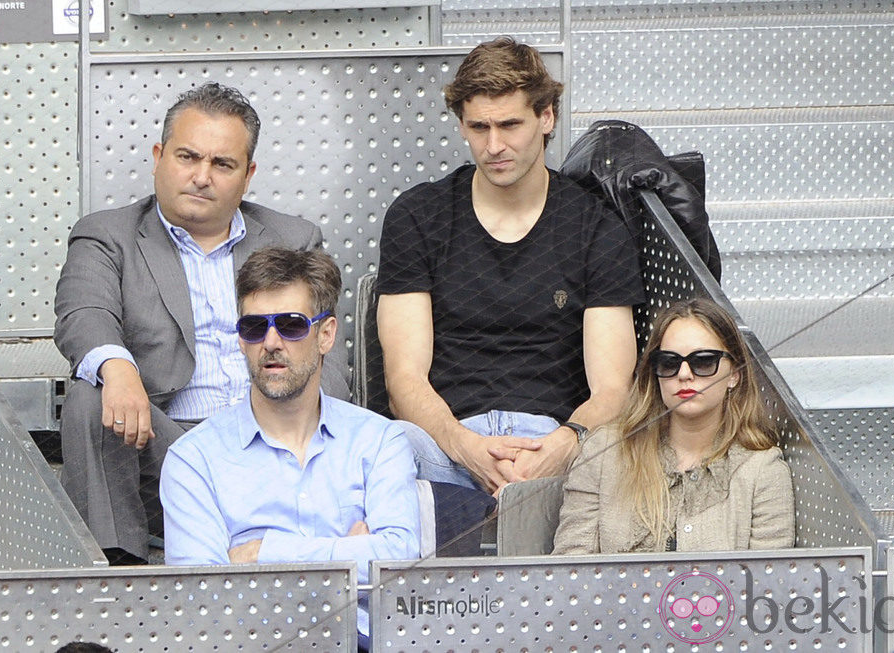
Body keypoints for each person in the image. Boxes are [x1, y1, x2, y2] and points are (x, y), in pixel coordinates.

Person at [54, 82, 350, 565]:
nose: (201, 176)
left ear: (248, 174)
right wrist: (118, 369)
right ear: (158, 156)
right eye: (188, 157)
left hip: (271, 435)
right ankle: (115, 574)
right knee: (91, 394)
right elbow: (84, 313)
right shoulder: (109, 235)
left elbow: (326, 356)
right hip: (166, 440)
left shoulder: (294, 239)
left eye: (222, 164)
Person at [376, 37, 644, 495]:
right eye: (479, 127)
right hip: (446, 442)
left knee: (624, 454)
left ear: (547, 117)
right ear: (461, 124)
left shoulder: (594, 226)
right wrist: (466, 447)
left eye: (510, 125)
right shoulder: (419, 215)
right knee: (385, 447)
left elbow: (613, 390)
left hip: (559, 446)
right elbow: (404, 379)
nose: (494, 145)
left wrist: (564, 443)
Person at [160, 246, 419, 649]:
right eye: (254, 327)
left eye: (292, 325)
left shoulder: (381, 441)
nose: (271, 342)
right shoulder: (192, 460)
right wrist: (348, 556)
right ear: (241, 340)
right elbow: (202, 601)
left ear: (326, 334)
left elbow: (401, 564)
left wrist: (262, 553)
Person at [553, 298, 795, 554]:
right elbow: (571, 571)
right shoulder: (602, 453)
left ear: (734, 374)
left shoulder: (763, 471)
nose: (684, 374)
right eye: (669, 362)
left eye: (703, 361)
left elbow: (767, 584)